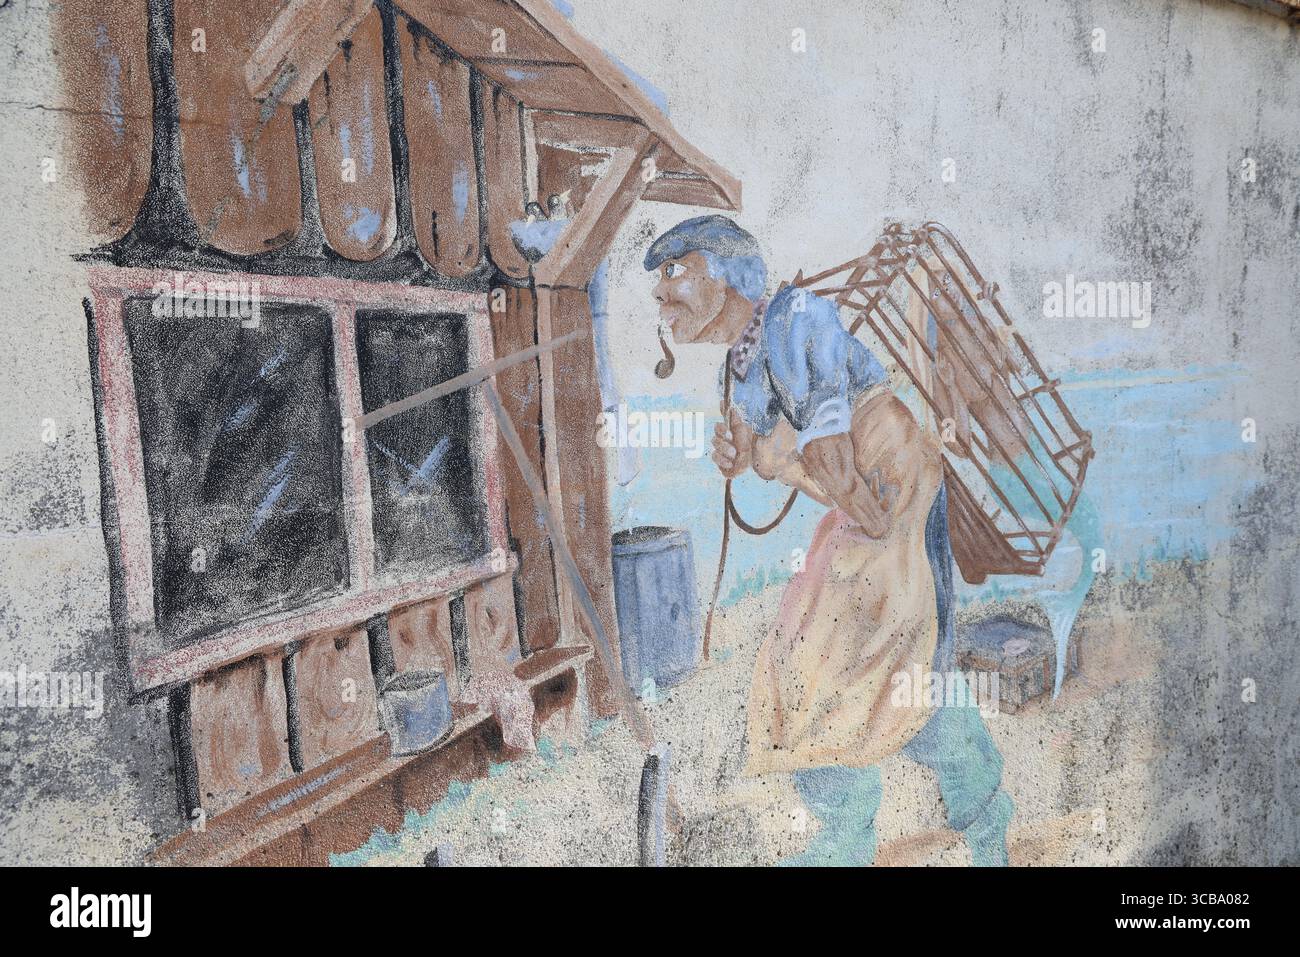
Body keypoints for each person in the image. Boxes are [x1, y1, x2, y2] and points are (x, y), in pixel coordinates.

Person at [644, 215, 1014, 866]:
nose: (660, 291)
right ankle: (848, 835)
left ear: (725, 274)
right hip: (856, 515)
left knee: (898, 671)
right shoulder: (737, 365)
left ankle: (979, 830)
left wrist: (866, 520)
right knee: (810, 674)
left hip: (890, 500)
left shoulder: (795, 319)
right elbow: (775, 452)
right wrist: (738, 454)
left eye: (675, 271)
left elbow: (835, 449)